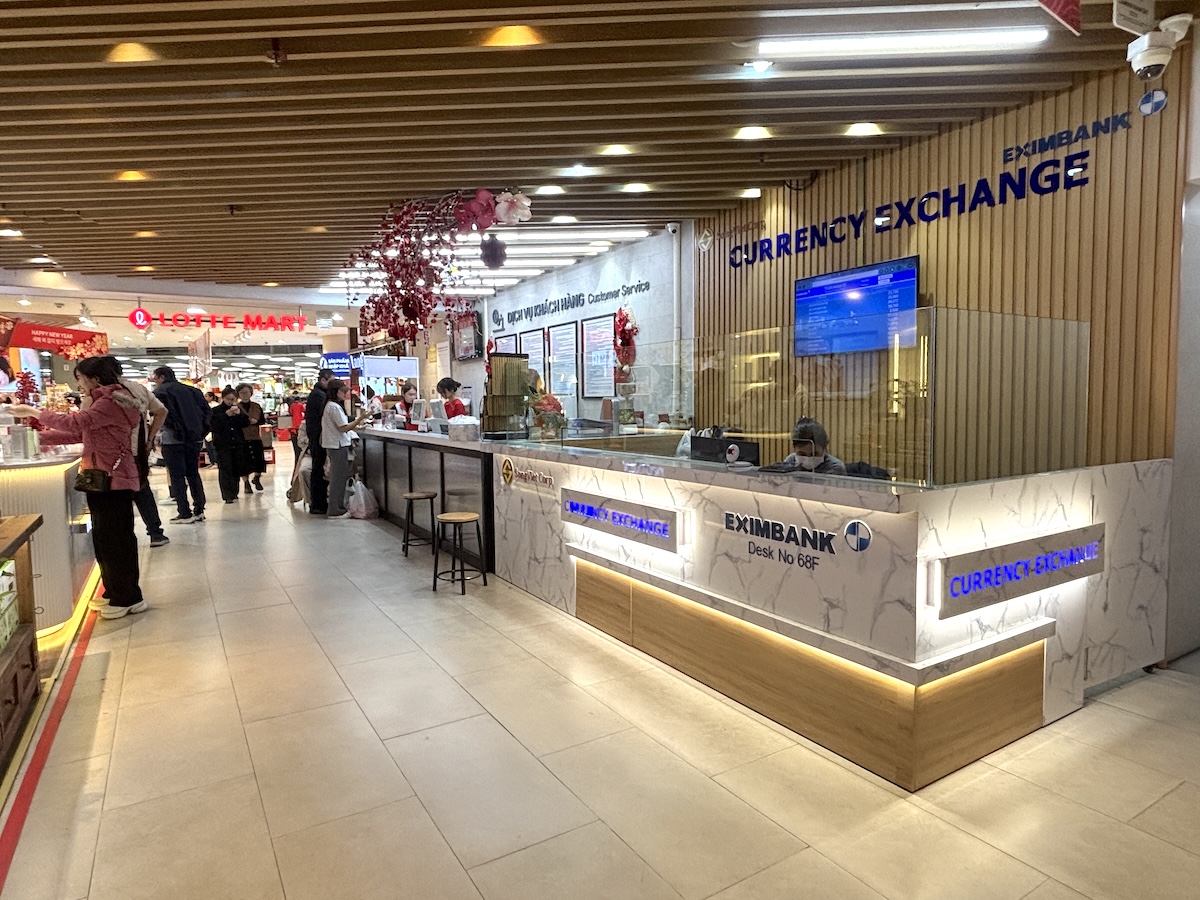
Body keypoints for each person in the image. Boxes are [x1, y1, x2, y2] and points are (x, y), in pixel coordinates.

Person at [10, 357, 149, 619]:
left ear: (93, 379)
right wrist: (37, 438)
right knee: (106, 539)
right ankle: (115, 592)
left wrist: (34, 413)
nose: (79, 385)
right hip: (106, 479)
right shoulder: (105, 400)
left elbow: (75, 424)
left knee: (115, 541)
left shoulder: (111, 401)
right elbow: (80, 433)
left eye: (80, 379)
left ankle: (128, 597)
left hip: (113, 480)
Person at [152, 366, 211, 523]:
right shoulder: (194, 391)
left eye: (156, 378)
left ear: (162, 377)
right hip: (195, 438)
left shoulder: (160, 393)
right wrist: (201, 432)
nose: (156, 382)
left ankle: (184, 512)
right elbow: (207, 413)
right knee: (193, 473)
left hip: (173, 439)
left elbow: (162, 416)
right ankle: (199, 509)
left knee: (177, 476)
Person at [320, 379, 370, 519]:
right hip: (337, 446)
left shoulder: (330, 406)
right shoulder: (334, 407)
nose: (345, 394)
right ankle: (335, 510)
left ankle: (337, 507)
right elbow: (344, 427)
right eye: (343, 391)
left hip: (335, 445)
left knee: (338, 477)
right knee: (338, 479)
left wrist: (358, 425)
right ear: (336, 392)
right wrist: (360, 419)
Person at [209, 386, 251, 503]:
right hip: (223, 444)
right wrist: (226, 416)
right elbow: (213, 426)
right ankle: (227, 494)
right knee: (225, 469)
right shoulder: (216, 411)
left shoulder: (238, 409)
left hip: (237, 443)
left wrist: (239, 415)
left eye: (233, 399)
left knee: (236, 468)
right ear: (223, 398)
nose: (230, 402)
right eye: (228, 399)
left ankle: (235, 492)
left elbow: (246, 423)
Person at [305, 368, 334, 515]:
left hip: (317, 436)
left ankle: (318, 503)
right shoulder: (319, 396)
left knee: (319, 469)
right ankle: (318, 504)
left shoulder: (318, 394)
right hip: (318, 438)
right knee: (319, 470)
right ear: (323, 380)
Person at [782, 417, 847, 475]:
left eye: (814, 454)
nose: (808, 459)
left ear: (824, 449)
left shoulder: (835, 467)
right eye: (802, 454)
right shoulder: (790, 461)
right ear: (794, 449)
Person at [236, 383, 266, 493]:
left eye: (247, 392)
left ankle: (257, 478)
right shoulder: (236, 407)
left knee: (259, 460)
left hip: (255, 437)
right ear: (238, 394)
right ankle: (246, 483)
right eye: (242, 392)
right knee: (244, 462)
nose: (245, 394)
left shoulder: (256, 406)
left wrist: (256, 421)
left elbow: (262, 420)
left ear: (251, 393)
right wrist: (247, 422)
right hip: (241, 438)